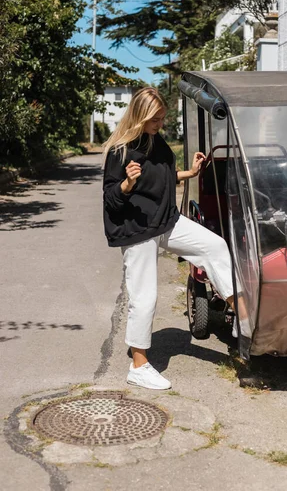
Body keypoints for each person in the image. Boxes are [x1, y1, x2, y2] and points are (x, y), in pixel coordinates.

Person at [102, 87, 237, 390]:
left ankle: (239, 311)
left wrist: (190, 172)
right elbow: (110, 199)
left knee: (214, 245)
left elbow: (162, 176)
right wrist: (126, 184)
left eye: (162, 119)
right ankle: (138, 365)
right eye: (155, 120)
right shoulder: (120, 151)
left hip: (166, 221)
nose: (160, 124)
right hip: (137, 230)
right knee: (145, 297)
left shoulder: (155, 141)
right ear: (140, 117)